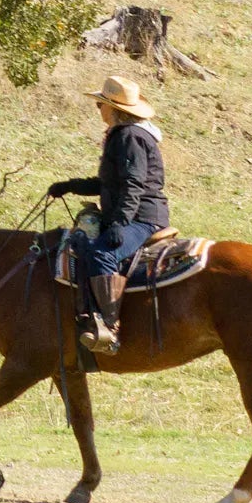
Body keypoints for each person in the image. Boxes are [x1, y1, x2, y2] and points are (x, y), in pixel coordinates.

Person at [46, 75, 170, 359]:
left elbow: (133, 184)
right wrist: (71, 186)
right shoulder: (124, 135)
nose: (97, 109)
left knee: (103, 252)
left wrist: (119, 223)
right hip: (130, 214)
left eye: (100, 104)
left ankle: (107, 326)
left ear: (114, 108)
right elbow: (109, 183)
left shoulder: (131, 137)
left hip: (142, 218)